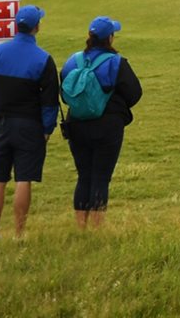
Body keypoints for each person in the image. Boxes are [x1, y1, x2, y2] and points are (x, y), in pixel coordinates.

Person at [0, 4, 58, 243]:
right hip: (29, 127)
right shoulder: (43, 59)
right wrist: (47, 129)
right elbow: (50, 102)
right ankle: (19, 235)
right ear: (36, 27)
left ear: (16, 26)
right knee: (23, 179)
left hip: (1, 124)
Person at [60, 16, 143, 230]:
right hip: (108, 127)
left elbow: (65, 93)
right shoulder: (116, 63)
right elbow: (135, 93)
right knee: (100, 177)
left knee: (84, 176)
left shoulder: (72, 61)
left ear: (89, 36)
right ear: (110, 38)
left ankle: (81, 228)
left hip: (76, 125)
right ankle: (97, 230)